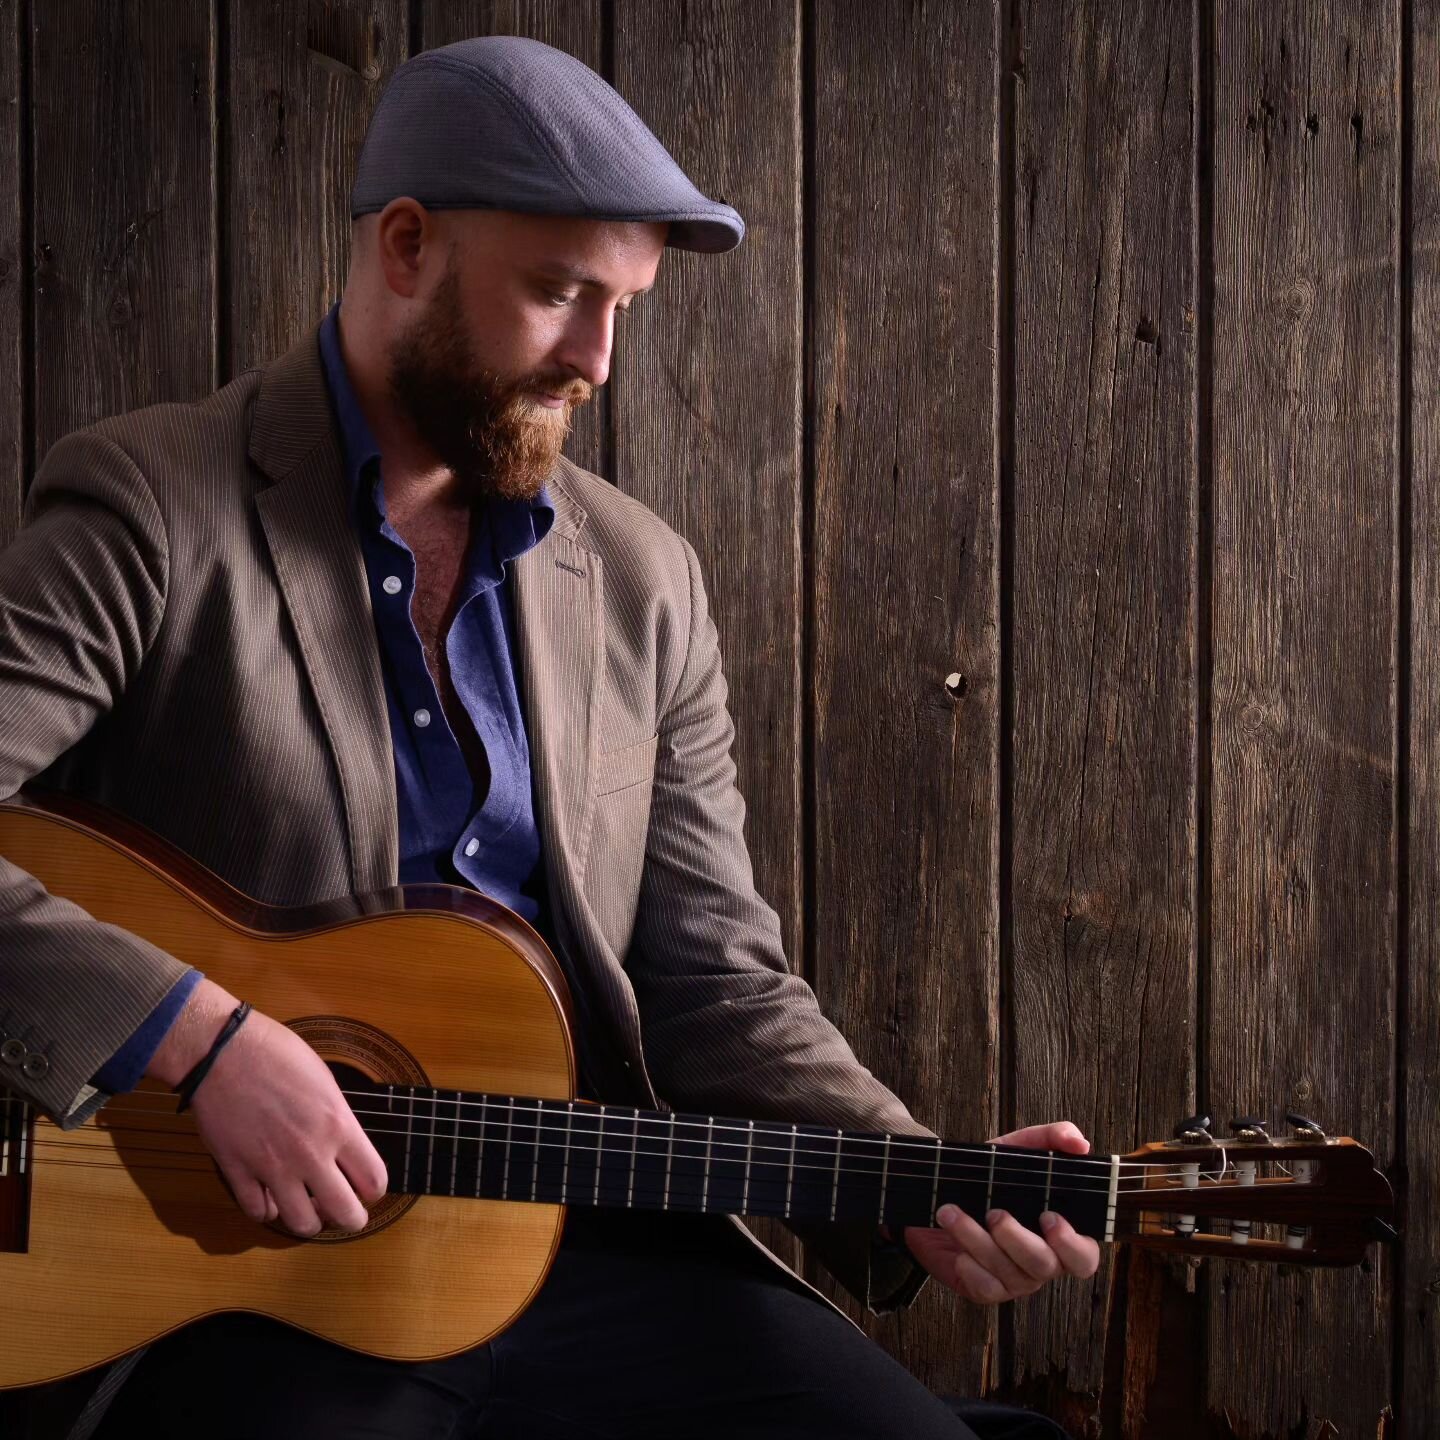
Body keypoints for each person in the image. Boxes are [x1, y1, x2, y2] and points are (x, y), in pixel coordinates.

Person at [0, 35, 1097, 1439]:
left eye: (623, 305)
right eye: (561, 292)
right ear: (406, 245)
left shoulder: (645, 583)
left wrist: (911, 1178)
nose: (597, 358)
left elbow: (714, 983)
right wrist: (198, 1042)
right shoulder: (151, 508)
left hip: (590, 1259)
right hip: (249, 1282)